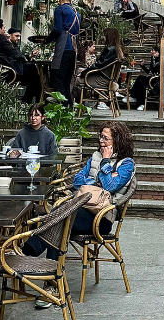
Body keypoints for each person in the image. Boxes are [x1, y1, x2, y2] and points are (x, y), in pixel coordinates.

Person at [23, 121, 135, 285]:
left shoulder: (126, 164)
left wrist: (105, 162)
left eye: (105, 138)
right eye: (100, 137)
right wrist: (94, 181)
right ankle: (51, 282)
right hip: (80, 207)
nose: (101, 142)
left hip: (101, 218)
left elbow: (110, 186)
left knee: (63, 216)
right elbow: (77, 181)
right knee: (61, 220)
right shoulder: (95, 156)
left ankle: (33, 251)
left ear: (117, 141)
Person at [0, 18, 40, 103]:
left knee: (34, 79)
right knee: (34, 74)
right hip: (8, 72)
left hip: (0, 70)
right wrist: (24, 59)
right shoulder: (1, 39)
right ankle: (31, 102)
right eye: (4, 27)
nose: (5, 29)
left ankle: (28, 102)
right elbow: (15, 54)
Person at [46, 0, 80, 103]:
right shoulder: (76, 12)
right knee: (67, 81)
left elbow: (57, 29)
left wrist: (47, 40)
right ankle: (69, 106)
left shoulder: (59, 9)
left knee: (57, 79)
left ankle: (63, 107)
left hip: (63, 47)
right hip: (73, 49)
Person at [81, 27, 127, 110]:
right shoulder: (117, 50)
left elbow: (98, 65)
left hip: (101, 79)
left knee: (75, 79)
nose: (103, 37)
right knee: (78, 75)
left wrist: (84, 73)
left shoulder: (110, 50)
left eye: (104, 35)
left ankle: (71, 104)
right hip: (108, 79)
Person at [130, 46, 160, 110]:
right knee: (141, 84)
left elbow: (156, 69)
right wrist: (142, 66)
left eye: (153, 50)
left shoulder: (161, 60)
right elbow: (149, 71)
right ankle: (141, 104)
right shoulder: (153, 59)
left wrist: (155, 58)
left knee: (139, 78)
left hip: (156, 81)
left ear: (157, 52)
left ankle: (133, 96)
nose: (151, 52)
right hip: (151, 78)